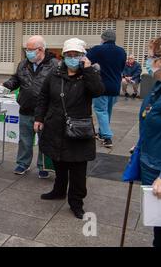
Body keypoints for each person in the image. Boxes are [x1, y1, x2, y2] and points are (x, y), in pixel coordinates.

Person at [34, 38, 105, 219]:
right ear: (63, 56)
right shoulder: (54, 74)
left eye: (76, 55)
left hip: (78, 129)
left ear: (83, 56)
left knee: (78, 169)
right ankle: (58, 191)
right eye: (69, 55)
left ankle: (76, 202)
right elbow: (43, 97)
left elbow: (98, 91)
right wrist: (39, 118)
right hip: (56, 126)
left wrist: (88, 69)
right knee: (59, 162)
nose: (72, 58)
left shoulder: (89, 74)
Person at [2, 36, 59, 178]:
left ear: (40, 50)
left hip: (45, 111)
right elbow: (16, 78)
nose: (27, 52)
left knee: (45, 140)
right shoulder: (23, 64)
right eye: (26, 49)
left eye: (30, 49)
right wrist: (8, 84)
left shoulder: (54, 65)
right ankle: (23, 163)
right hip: (26, 108)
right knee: (25, 139)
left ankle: (43, 166)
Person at [138, 35, 161, 247]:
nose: (147, 61)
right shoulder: (159, 87)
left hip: (160, 172)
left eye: (149, 56)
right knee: (159, 230)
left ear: (160, 60)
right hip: (152, 162)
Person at [86, 29, 126, 148]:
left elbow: (86, 62)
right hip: (115, 86)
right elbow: (122, 68)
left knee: (100, 110)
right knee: (107, 111)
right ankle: (102, 133)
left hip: (101, 86)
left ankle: (107, 137)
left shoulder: (98, 49)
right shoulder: (121, 51)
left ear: (103, 38)